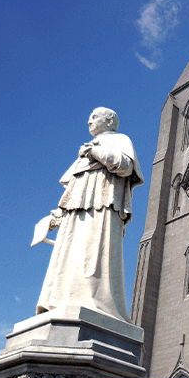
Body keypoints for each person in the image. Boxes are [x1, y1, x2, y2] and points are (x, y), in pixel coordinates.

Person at [34, 108, 144, 321]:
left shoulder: (120, 140)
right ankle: (61, 302)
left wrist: (97, 153)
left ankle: (95, 303)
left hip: (101, 208)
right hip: (75, 214)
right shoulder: (86, 150)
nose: (88, 121)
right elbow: (74, 188)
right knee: (68, 255)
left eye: (94, 117)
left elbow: (125, 166)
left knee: (93, 253)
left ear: (109, 120)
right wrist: (57, 217)